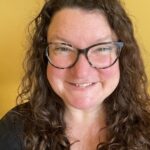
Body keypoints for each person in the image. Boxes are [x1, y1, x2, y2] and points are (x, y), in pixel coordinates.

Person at [0, 0, 150, 149]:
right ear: (44, 56)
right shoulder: (13, 131)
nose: (81, 72)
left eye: (101, 48)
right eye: (63, 48)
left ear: (122, 57)